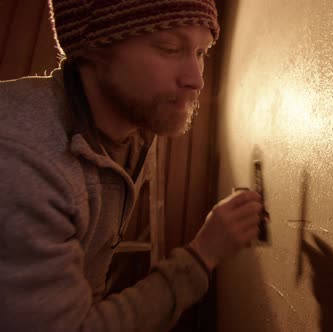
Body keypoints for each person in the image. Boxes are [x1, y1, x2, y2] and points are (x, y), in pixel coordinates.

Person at [0, 0, 262, 331]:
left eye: (201, 52)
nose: (196, 80)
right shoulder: (23, 162)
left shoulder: (136, 124)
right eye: (169, 48)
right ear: (95, 49)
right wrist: (203, 254)